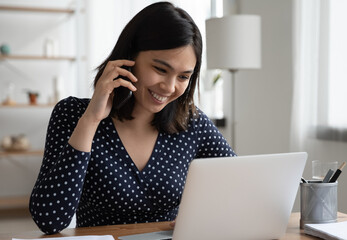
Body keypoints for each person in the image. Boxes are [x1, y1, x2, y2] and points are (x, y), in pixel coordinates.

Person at [29, 2, 235, 234]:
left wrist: (204, 215)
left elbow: (240, 184)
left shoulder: (192, 123)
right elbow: (49, 220)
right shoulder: (72, 114)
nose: (169, 87)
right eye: (160, 69)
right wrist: (91, 120)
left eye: (183, 76)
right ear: (129, 58)